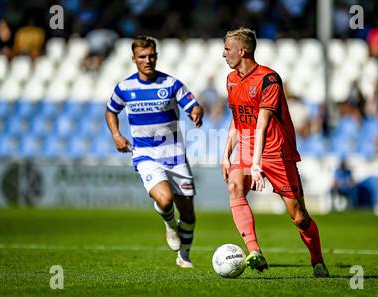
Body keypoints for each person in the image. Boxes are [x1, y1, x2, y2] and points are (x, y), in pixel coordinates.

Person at [221, 27, 329, 277]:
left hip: (276, 152)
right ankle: (254, 251)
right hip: (248, 147)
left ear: (242, 50)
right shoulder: (231, 79)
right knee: (235, 186)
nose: (223, 54)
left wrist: (257, 164)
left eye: (227, 49)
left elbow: (262, 123)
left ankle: (317, 260)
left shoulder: (269, 79)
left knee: (300, 217)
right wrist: (226, 155)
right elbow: (237, 120)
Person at [105, 36, 204, 268]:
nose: (148, 60)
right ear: (134, 59)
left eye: (151, 56)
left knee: (188, 213)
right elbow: (111, 111)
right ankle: (170, 225)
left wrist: (197, 111)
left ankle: (184, 256)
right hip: (146, 154)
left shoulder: (171, 84)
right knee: (165, 198)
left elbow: (193, 104)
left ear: (156, 56)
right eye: (142, 57)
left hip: (175, 155)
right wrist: (117, 136)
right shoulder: (125, 87)